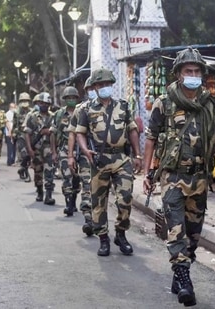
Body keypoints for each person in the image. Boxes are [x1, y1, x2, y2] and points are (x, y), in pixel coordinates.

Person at [142, 47, 215, 307]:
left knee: (193, 233)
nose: (193, 74)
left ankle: (180, 272)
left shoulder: (209, 103)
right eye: (188, 70)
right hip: (172, 176)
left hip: (200, 177)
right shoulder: (164, 102)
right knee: (176, 229)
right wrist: (148, 172)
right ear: (178, 74)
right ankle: (184, 279)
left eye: (196, 70)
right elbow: (151, 137)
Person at [76, 68, 142, 256]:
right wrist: (84, 150)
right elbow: (80, 132)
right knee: (99, 202)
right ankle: (103, 238)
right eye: (101, 84)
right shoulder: (87, 109)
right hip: (99, 161)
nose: (105, 87)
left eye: (108, 84)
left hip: (121, 159)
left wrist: (137, 155)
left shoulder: (123, 106)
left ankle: (120, 233)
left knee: (126, 199)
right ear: (95, 87)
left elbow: (132, 130)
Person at [67, 77, 97, 236]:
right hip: (86, 155)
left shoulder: (114, 106)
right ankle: (88, 219)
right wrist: (70, 155)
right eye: (91, 88)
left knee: (100, 191)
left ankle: (99, 219)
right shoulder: (81, 109)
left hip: (106, 157)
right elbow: (72, 134)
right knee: (87, 185)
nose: (94, 90)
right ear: (87, 91)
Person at [51, 86, 81, 217]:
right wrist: (53, 152)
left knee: (77, 178)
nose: (71, 100)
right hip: (64, 149)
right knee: (67, 177)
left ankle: (73, 202)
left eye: (73, 98)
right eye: (68, 98)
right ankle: (68, 204)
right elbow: (53, 133)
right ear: (64, 99)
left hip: (80, 150)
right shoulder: (59, 114)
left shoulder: (82, 112)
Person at [24, 92, 56, 205]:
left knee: (49, 171)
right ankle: (39, 192)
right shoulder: (32, 117)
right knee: (38, 172)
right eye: (41, 103)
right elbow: (27, 133)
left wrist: (54, 151)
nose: (44, 105)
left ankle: (49, 195)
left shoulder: (53, 117)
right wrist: (29, 150)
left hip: (48, 148)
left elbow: (53, 133)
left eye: (46, 103)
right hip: (36, 149)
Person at [14, 92, 33, 182]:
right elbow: (15, 125)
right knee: (24, 155)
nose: (24, 102)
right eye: (23, 100)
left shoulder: (32, 112)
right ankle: (25, 173)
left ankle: (22, 169)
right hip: (21, 136)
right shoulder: (17, 113)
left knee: (29, 155)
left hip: (30, 137)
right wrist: (14, 135)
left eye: (26, 100)